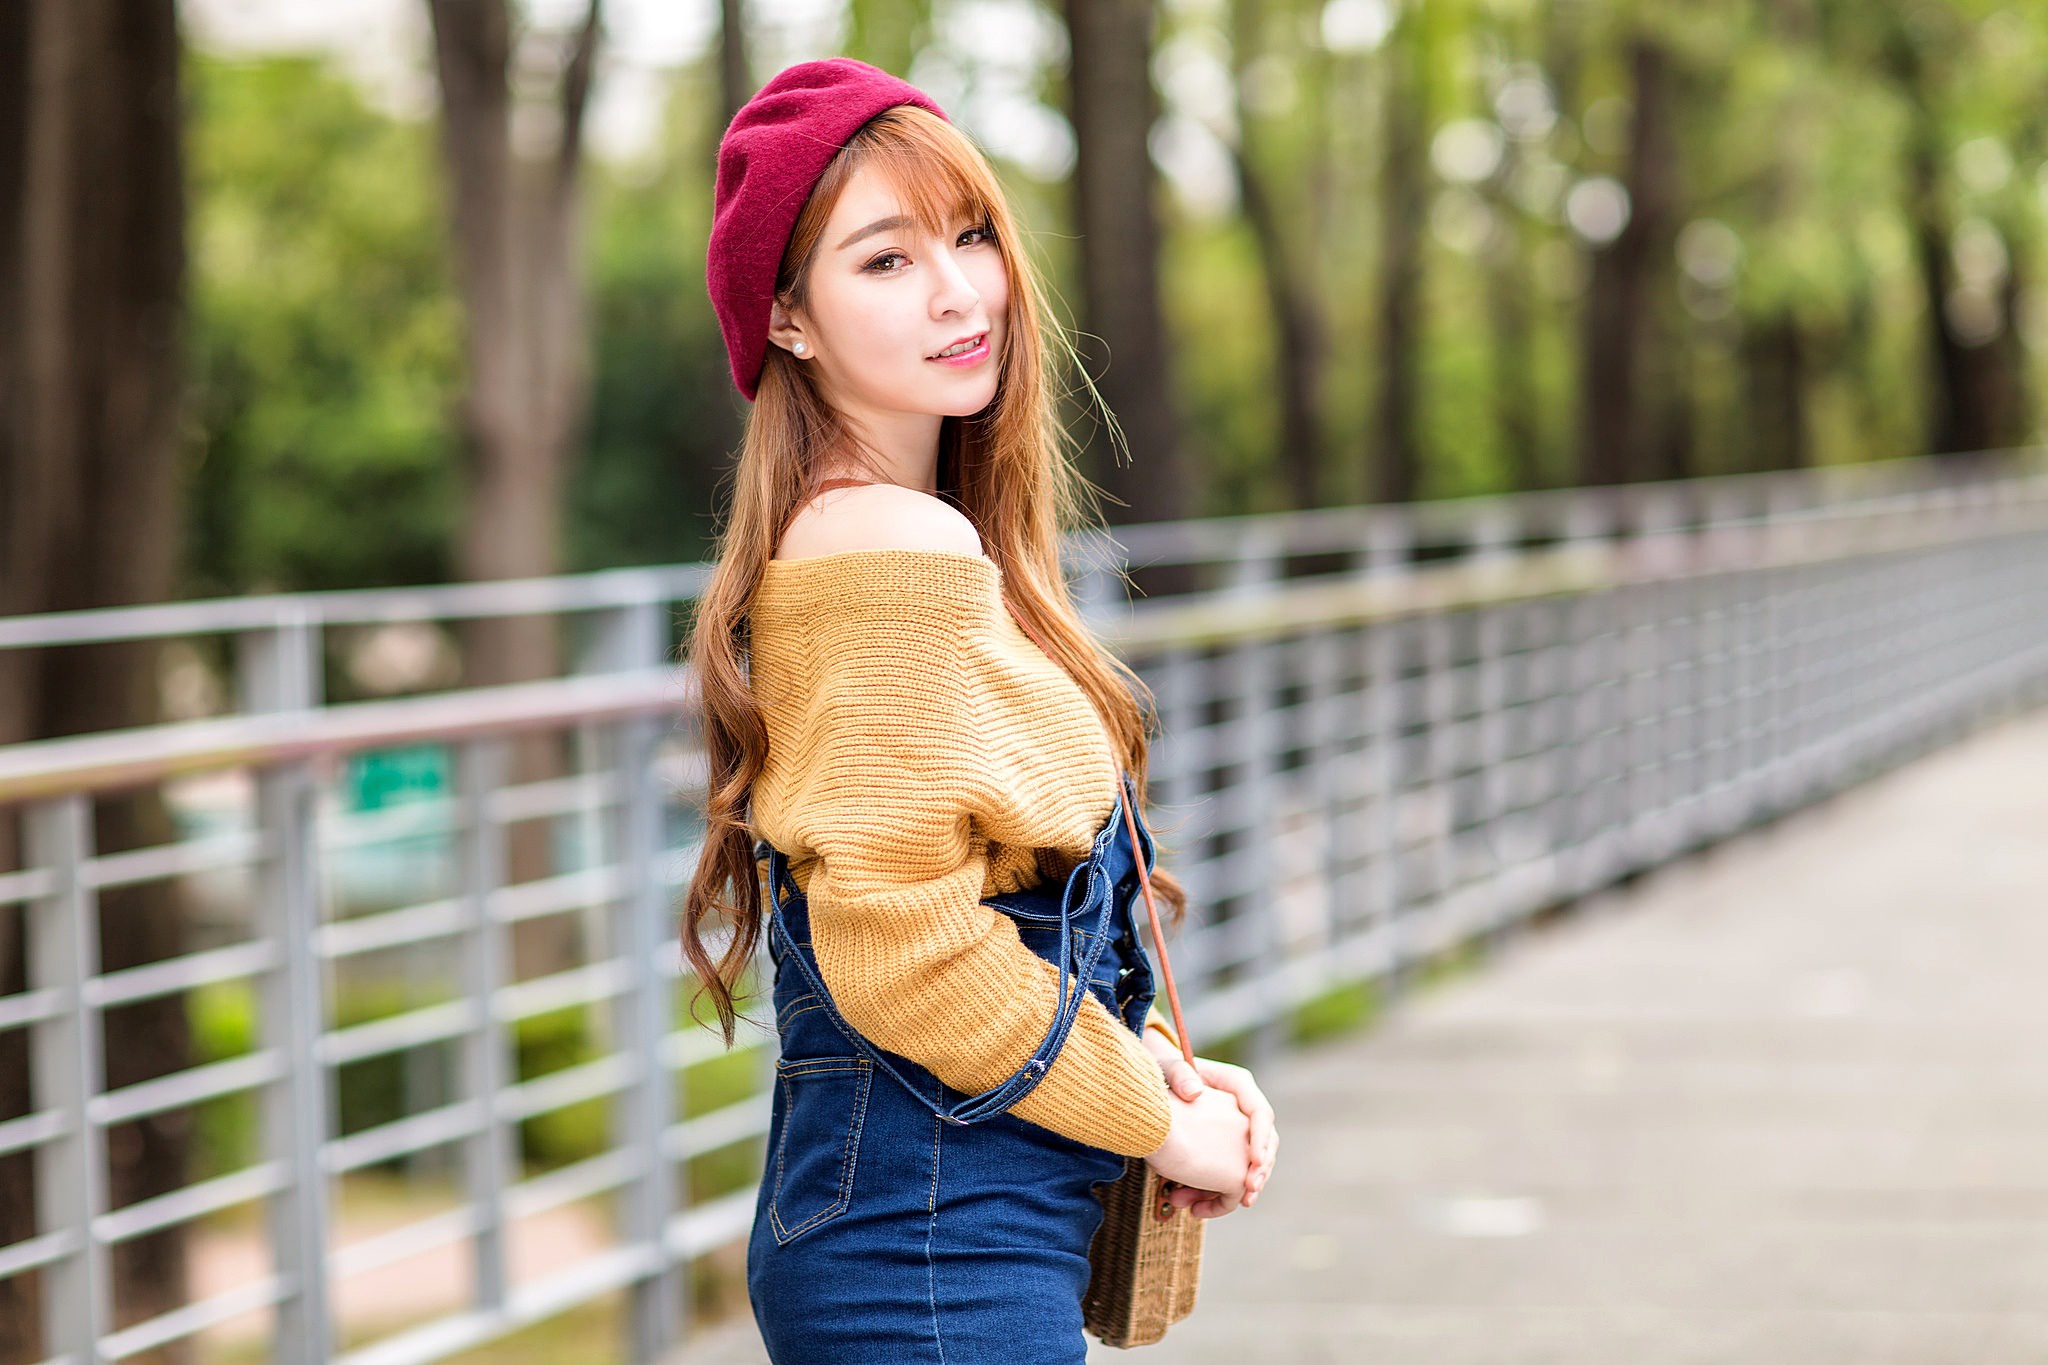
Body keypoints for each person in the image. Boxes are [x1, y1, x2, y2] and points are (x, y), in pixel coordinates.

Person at [678, 56, 1279, 1363]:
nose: (959, 290)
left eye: (969, 236)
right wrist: (1160, 1122)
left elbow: (1001, 895)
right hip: (933, 1252)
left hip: (946, 1232)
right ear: (788, 319)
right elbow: (909, 948)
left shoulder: (917, 542)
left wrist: (1165, 1069)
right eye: (885, 261)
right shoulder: (886, 550)